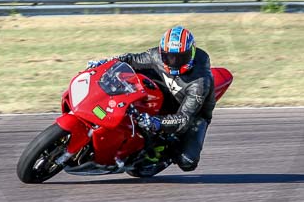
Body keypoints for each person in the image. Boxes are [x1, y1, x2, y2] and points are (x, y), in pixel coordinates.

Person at [89, 26, 215, 172]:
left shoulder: (199, 83)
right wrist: (105, 63)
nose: (174, 62)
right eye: (169, 57)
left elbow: (184, 119)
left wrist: (157, 122)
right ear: (162, 53)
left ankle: (162, 152)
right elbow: (130, 59)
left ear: (191, 53)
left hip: (193, 113)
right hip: (163, 91)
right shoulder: (156, 55)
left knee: (187, 161)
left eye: (180, 57)